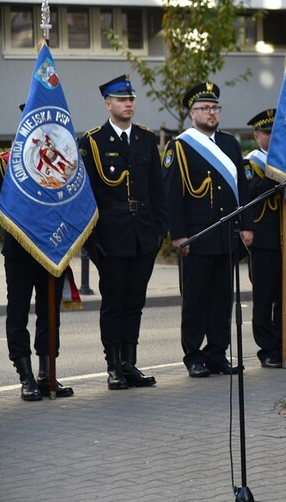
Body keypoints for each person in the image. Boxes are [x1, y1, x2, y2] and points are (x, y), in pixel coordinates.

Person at [79, 74, 167, 390]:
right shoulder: (92, 142)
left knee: (135, 301)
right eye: (121, 100)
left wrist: (159, 231)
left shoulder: (145, 138)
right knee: (114, 302)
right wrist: (92, 240)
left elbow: (158, 191)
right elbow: (85, 195)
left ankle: (130, 363)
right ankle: (113, 366)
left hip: (143, 234)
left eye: (131, 99)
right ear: (108, 104)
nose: (128, 104)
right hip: (111, 236)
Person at [162, 81, 253, 378]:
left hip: (227, 234)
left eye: (215, 108)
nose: (211, 113)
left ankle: (217, 352)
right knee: (196, 299)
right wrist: (178, 234)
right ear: (192, 113)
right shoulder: (180, 146)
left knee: (222, 299)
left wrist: (247, 226)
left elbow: (242, 187)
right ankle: (194, 355)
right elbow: (172, 194)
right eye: (205, 108)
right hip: (198, 236)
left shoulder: (229, 143)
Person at [0, 151, 73, 401]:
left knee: (50, 313)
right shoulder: (5, 161)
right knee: (18, 311)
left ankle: (46, 374)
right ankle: (26, 377)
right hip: (19, 249)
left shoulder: (64, 159)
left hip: (53, 245)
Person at [243, 108, 286, 368]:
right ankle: (267, 350)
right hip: (264, 240)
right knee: (264, 298)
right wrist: (276, 178)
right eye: (266, 133)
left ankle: (285, 346)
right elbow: (249, 192)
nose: (272, 138)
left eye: (276, 133)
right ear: (256, 135)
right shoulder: (250, 162)